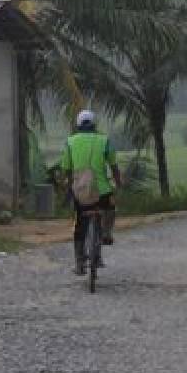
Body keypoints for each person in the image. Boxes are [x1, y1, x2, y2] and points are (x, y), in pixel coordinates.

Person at [59, 109, 121, 275]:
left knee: (80, 223)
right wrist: (118, 183)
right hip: (101, 191)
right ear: (94, 124)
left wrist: (67, 185)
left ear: (78, 125)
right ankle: (106, 232)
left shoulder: (70, 142)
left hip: (81, 192)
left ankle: (80, 264)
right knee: (110, 208)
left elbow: (65, 168)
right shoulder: (104, 140)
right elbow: (114, 166)